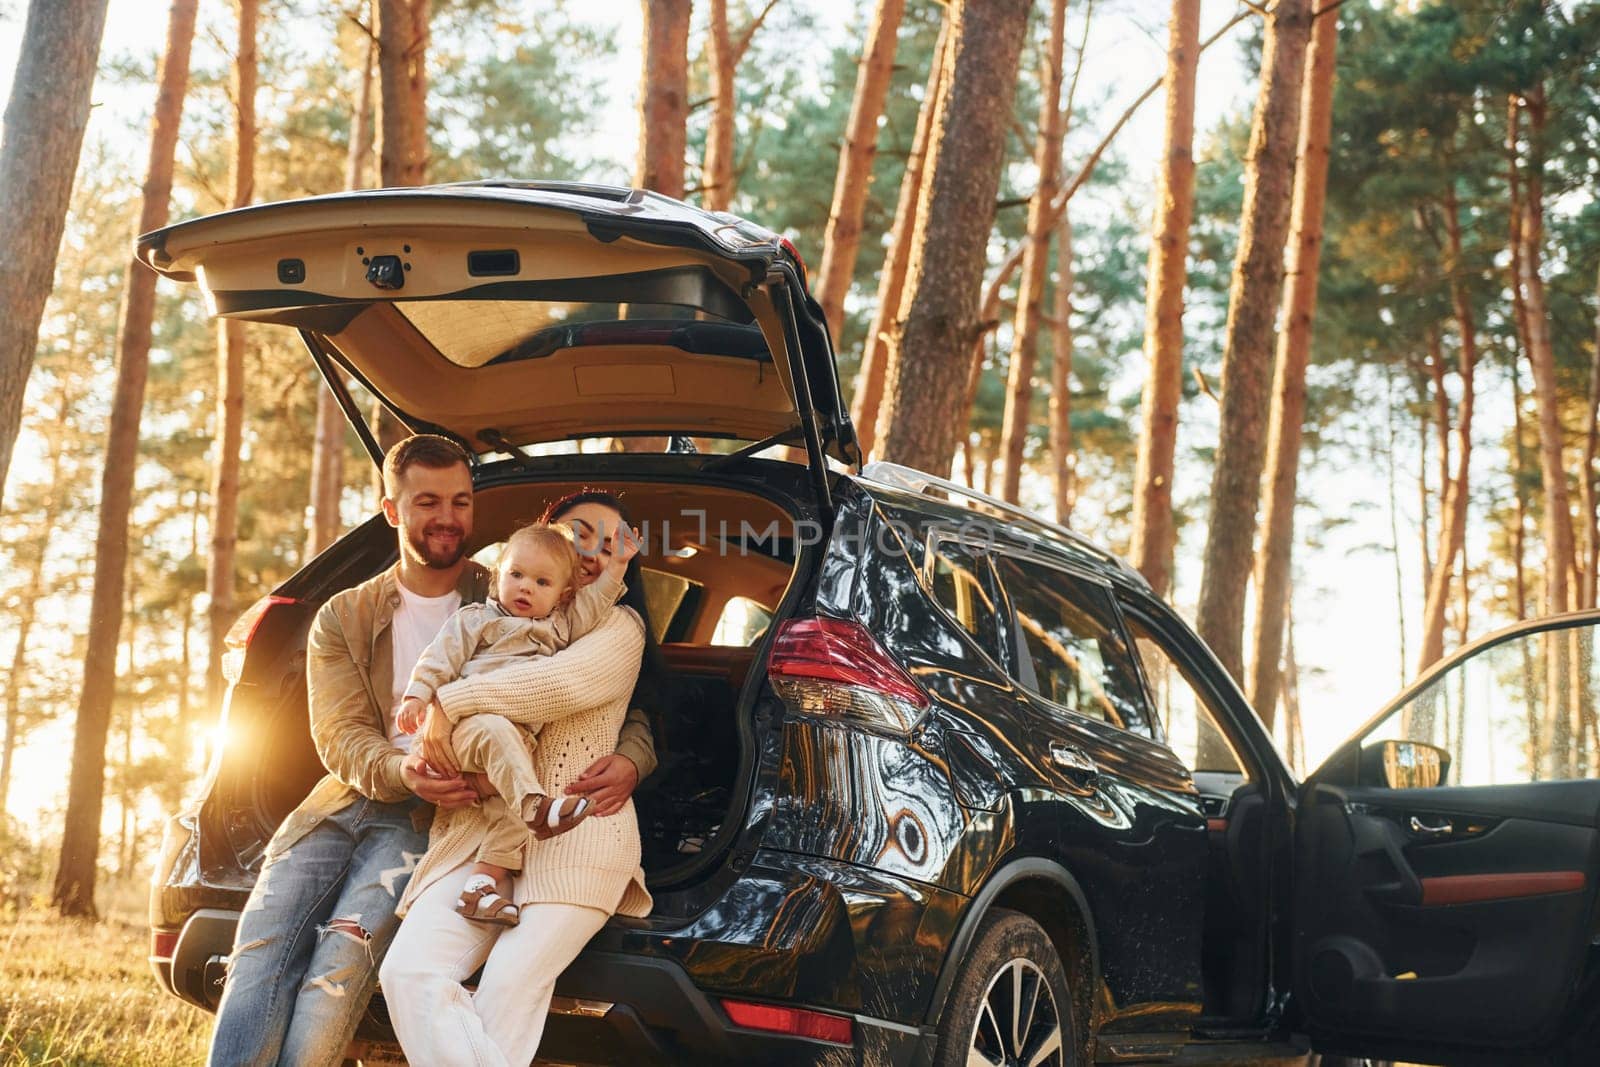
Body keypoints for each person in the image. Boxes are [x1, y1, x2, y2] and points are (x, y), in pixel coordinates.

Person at [206, 439, 656, 1067]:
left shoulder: (528, 592)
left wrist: (635, 756)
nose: (448, 517)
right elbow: (338, 734)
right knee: (260, 944)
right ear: (392, 510)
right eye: (428, 502)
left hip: (453, 810)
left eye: (460, 502)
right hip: (359, 794)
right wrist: (407, 768)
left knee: (345, 956)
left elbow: (605, 693)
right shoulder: (348, 612)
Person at [379, 491, 659, 1067]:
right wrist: (428, 737)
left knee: (505, 993)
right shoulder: (485, 619)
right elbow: (442, 665)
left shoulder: (621, 627)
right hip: (479, 835)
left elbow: (555, 687)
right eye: (577, 532)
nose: (589, 550)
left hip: (579, 835)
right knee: (408, 973)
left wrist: (446, 704)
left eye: (607, 543)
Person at [395, 520, 637, 926]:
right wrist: (418, 696)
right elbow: (439, 658)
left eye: (542, 583)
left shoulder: (559, 626)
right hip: (467, 729)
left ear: (563, 595)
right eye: (516, 575)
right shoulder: (476, 619)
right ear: (497, 578)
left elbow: (592, 607)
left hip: (513, 744)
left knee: (512, 807)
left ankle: (482, 887)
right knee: (519, 783)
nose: (526, 588)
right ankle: (537, 810)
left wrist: (615, 569)